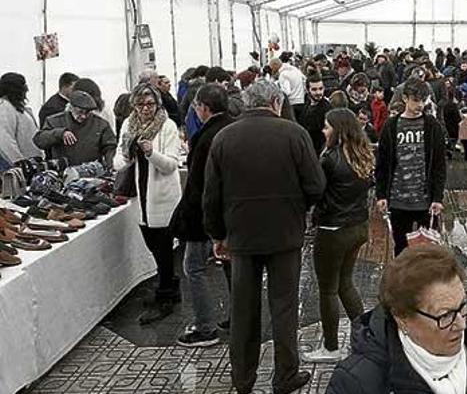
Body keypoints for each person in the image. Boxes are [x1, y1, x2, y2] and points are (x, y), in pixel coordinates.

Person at [203, 79, 325, 394]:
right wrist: (298, 210)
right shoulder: (294, 134)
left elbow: (211, 195)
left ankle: (243, 380)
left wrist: (218, 234)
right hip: (285, 235)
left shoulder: (224, 137)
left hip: (241, 238)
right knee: (284, 307)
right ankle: (285, 376)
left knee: (243, 310)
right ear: (276, 102)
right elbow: (315, 186)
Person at [327, 245, 467, 393]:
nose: (462, 325)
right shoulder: (357, 383)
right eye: (445, 315)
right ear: (402, 319)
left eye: (463, 305)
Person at [304, 108, 374, 363]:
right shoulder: (363, 154)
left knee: (328, 290)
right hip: (358, 226)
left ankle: (331, 347)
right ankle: (365, 338)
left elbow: (316, 192)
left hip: (333, 230)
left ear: (339, 129)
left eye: (326, 126)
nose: (323, 131)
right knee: (346, 283)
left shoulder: (330, 158)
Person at [171, 83, 235, 347]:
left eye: (196, 105)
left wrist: (192, 219)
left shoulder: (206, 137)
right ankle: (238, 317)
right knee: (233, 268)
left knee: (193, 268)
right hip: (233, 212)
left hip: (206, 216)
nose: (195, 110)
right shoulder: (234, 128)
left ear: (204, 108)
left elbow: (199, 184)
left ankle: (205, 327)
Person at [113, 83, 182, 324]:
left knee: (164, 249)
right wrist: (125, 158)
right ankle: (171, 287)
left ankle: (166, 295)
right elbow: (118, 162)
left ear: (158, 104)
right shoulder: (128, 126)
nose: (145, 109)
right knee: (153, 246)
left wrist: (152, 153)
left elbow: (172, 165)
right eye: (140, 104)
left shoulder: (168, 126)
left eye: (150, 104)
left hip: (162, 198)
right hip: (139, 197)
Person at [375, 77, 446, 256]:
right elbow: (382, 163)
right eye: (416, 100)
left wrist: (437, 197)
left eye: (423, 100)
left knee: (428, 251)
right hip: (398, 200)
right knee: (400, 250)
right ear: (405, 98)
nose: (420, 105)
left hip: (426, 201)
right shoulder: (391, 126)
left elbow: (439, 164)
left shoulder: (432, 126)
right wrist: (381, 194)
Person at [33, 91, 116, 169]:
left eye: (87, 112)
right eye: (80, 112)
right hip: (63, 173)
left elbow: (110, 146)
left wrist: (109, 165)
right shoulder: (54, 121)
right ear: (71, 107)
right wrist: (59, 133)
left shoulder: (101, 124)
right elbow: (39, 140)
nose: (83, 116)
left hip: (91, 174)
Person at [0, 72, 42, 170]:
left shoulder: (14, 106)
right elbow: (5, 138)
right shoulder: (4, 107)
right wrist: (19, 162)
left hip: (30, 161)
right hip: (18, 165)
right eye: (23, 85)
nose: (26, 89)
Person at [301, 74, 331, 155]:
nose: (318, 92)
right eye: (314, 89)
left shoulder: (327, 108)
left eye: (320, 89)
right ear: (307, 90)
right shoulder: (307, 103)